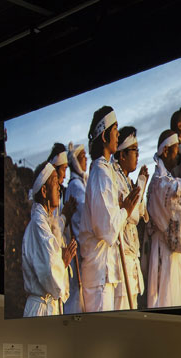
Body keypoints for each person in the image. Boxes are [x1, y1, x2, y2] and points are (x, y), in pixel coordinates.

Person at [80, 106, 145, 313]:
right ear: (105, 135)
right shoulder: (101, 172)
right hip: (99, 272)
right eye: (115, 129)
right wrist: (126, 209)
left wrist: (126, 207)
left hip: (104, 272)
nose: (117, 134)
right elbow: (106, 229)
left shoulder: (104, 170)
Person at [146, 130, 181, 308]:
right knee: (166, 298)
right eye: (176, 151)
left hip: (171, 253)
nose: (177, 156)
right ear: (165, 151)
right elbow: (180, 190)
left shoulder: (165, 180)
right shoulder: (160, 182)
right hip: (163, 252)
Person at [22, 162, 77, 316]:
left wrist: (65, 216)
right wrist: (63, 261)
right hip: (41, 309)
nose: (59, 186)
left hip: (48, 306)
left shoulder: (44, 222)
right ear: (44, 191)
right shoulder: (38, 225)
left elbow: (54, 230)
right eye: (54, 181)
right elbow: (49, 270)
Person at [111, 126, 147, 309]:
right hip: (121, 261)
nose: (137, 155)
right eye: (134, 150)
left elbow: (141, 212)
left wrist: (140, 187)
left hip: (131, 259)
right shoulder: (115, 179)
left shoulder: (126, 180)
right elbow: (132, 215)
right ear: (122, 155)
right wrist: (141, 184)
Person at [64, 141, 89, 313]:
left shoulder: (81, 183)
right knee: (77, 292)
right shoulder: (75, 185)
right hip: (80, 248)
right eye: (82, 156)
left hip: (81, 247)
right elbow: (83, 218)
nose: (85, 159)